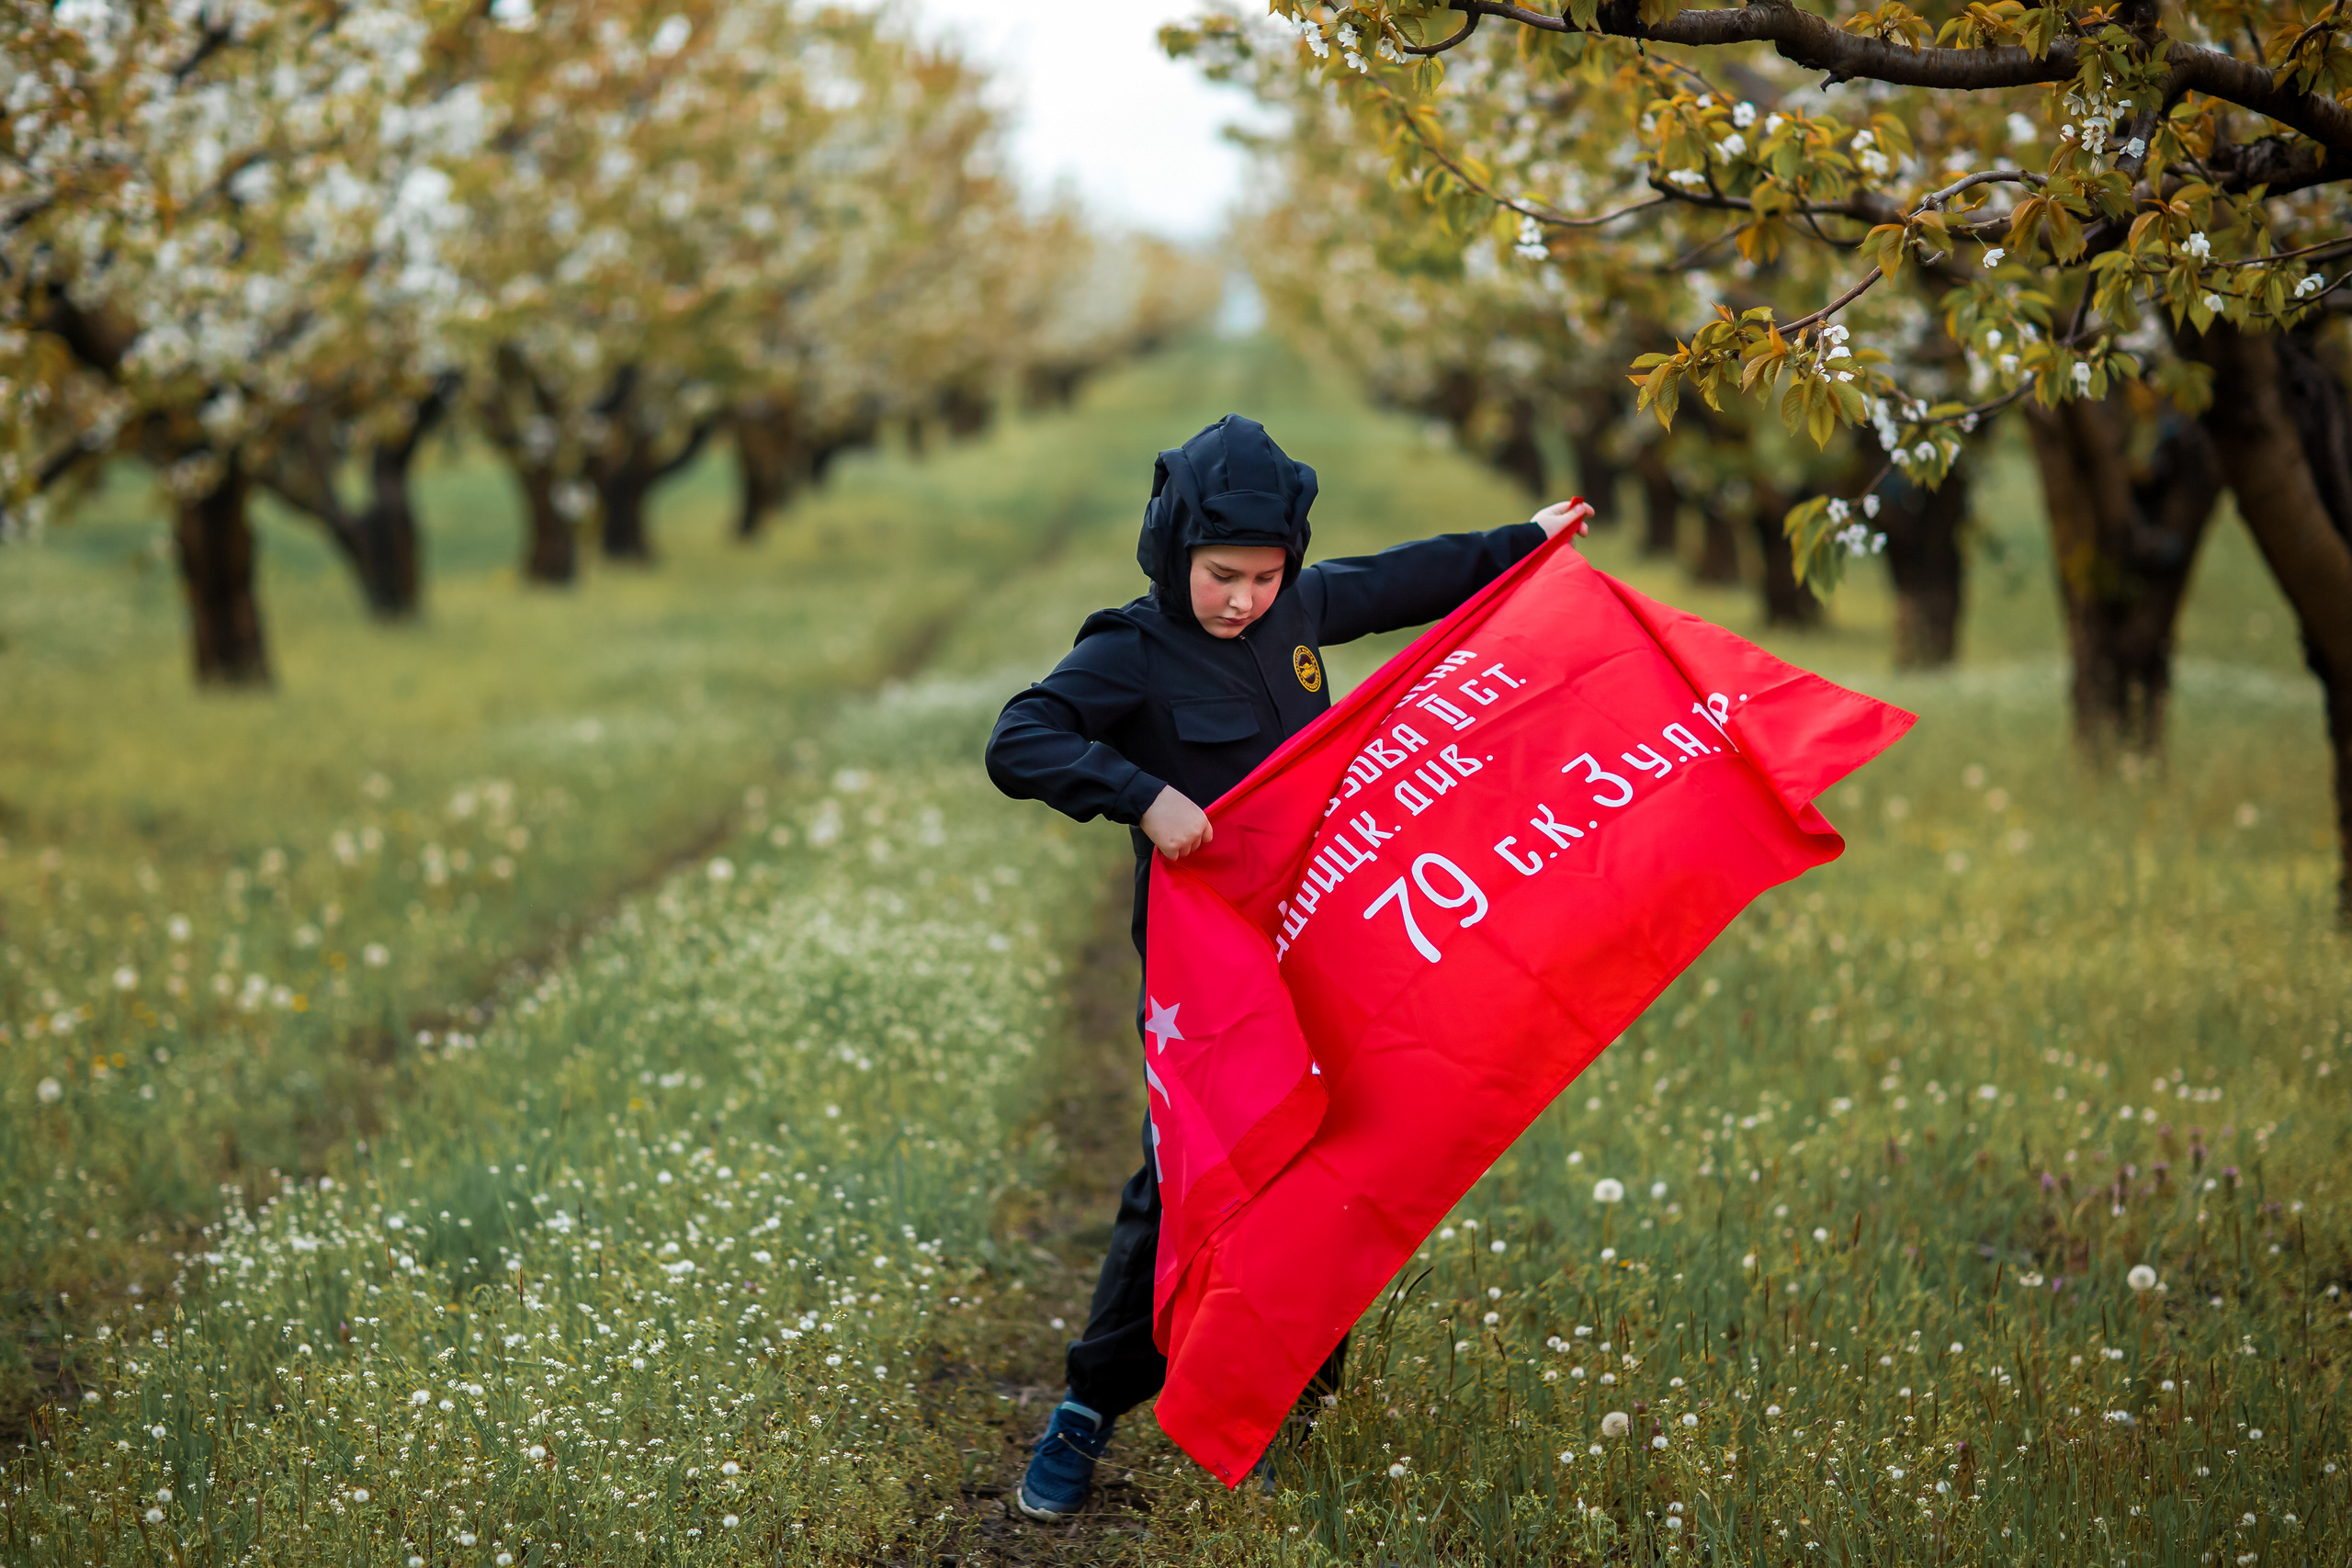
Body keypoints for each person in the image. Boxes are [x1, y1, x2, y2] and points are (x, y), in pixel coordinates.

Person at [982, 412, 1589, 1519]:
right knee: (1182, 1180)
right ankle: (1084, 1411)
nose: (1242, 602)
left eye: (1264, 579)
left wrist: (1522, 543)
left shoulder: (1297, 613)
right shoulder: (1130, 647)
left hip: (1323, 947)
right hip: (1206, 987)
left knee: (1329, 1162)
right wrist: (1144, 795)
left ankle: (1284, 1408)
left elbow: (1403, 580)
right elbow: (1019, 737)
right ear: (1171, 551)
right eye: (1221, 577)